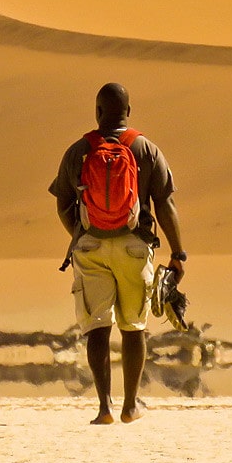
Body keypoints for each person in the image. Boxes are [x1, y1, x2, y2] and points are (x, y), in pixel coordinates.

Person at [49, 82, 186, 425]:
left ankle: (104, 407)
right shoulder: (146, 149)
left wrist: (80, 236)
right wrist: (178, 255)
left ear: (97, 112)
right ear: (128, 111)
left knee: (97, 326)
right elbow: (165, 204)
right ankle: (130, 405)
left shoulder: (79, 150)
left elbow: (63, 202)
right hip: (134, 246)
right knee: (133, 326)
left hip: (90, 247)